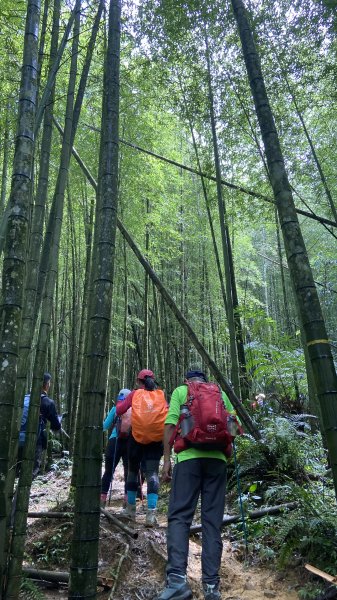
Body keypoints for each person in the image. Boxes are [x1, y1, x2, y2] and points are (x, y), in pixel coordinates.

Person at [157, 366, 240, 600]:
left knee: (180, 517)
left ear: (187, 379)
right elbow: (233, 426)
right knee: (212, 523)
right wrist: (226, 454)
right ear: (206, 380)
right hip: (217, 462)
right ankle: (212, 588)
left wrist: (166, 460)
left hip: (188, 460)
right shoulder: (220, 394)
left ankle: (176, 583)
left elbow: (171, 425)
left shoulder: (181, 391)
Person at [116, 369, 168, 527]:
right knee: (152, 473)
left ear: (139, 382)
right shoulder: (161, 395)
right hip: (156, 440)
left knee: (132, 472)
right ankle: (151, 515)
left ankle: (130, 510)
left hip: (136, 439)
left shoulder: (134, 394)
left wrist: (119, 402)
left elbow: (119, 410)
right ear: (153, 380)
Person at [18, 373, 62, 478]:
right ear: (46, 385)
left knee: (16, 469)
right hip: (34, 441)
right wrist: (59, 421)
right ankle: (21, 493)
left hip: (17, 439)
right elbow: (56, 426)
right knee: (32, 471)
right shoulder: (48, 402)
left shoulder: (24, 398)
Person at [100, 388, 131, 507]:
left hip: (114, 441)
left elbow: (104, 426)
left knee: (108, 471)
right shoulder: (134, 409)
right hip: (129, 443)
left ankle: (102, 500)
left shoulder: (115, 409)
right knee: (128, 472)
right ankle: (127, 501)